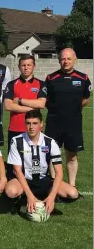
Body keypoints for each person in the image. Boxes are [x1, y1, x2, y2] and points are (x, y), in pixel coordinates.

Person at [5, 109, 80, 215]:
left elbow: (59, 173)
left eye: (35, 123)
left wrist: (52, 197)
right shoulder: (16, 141)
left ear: (41, 124)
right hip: (24, 181)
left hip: (44, 181)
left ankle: (47, 201)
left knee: (73, 193)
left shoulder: (50, 142)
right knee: (10, 191)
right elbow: (17, 171)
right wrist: (30, 196)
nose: (31, 127)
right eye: (28, 123)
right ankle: (23, 201)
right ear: (25, 124)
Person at [44, 48, 91, 188]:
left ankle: (72, 186)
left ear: (75, 60)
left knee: (72, 156)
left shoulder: (83, 78)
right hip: (53, 123)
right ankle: (54, 185)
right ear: (59, 60)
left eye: (69, 59)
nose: (66, 61)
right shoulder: (50, 78)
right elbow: (45, 100)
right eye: (63, 59)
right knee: (53, 156)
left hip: (73, 124)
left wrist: (72, 110)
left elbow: (85, 99)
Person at [3, 54, 46, 180]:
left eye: (29, 65)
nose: (26, 68)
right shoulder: (12, 84)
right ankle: (12, 191)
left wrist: (20, 100)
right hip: (15, 129)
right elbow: (8, 106)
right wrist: (32, 107)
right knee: (13, 164)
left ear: (34, 66)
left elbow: (41, 104)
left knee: (34, 161)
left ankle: (35, 186)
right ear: (19, 67)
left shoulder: (41, 84)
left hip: (35, 130)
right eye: (23, 65)